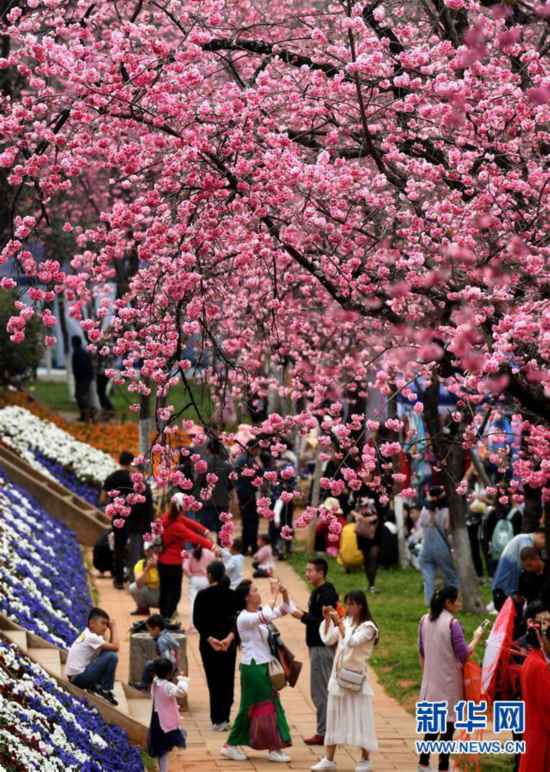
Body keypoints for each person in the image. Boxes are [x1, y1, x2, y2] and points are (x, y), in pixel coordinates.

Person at [221, 578, 294, 763]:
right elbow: (267, 616)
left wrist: (283, 592)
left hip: (262, 666)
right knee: (263, 706)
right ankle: (273, 748)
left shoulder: (258, 613)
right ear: (247, 597)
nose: (258, 592)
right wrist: (274, 594)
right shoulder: (244, 617)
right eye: (255, 590)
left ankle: (233, 745)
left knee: (257, 706)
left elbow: (285, 609)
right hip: (253, 668)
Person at [417, 586, 485, 772]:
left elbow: (422, 651)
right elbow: (463, 654)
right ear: (448, 603)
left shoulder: (424, 620)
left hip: (431, 681)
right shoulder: (452, 623)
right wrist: (476, 638)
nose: (460, 604)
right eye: (457, 600)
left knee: (433, 724)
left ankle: (423, 763)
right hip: (449, 682)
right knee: (448, 726)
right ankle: (443, 765)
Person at [311, 590, 379, 772]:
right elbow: (328, 638)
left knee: (361, 718)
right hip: (338, 676)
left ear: (360, 605)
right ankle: (329, 759)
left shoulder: (369, 628)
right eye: (346, 603)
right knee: (333, 716)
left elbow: (352, 642)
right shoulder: (347, 621)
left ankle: (365, 759)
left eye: (351, 604)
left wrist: (339, 622)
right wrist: (327, 619)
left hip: (356, 679)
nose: (347, 607)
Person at [291, 558, 339, 746]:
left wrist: (301, 616)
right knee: (322, 689)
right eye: (306, 570)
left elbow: (324, 623)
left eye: (310, 570)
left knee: (320, 691)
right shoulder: (319, 591)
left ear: (321, 573)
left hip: (321, 646)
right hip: (317, 646)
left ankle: (324, 732)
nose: (307, 573)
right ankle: (328, 729)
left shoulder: (325, 594)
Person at [193, 560, 237, 731]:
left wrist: (210, 638)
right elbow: (236, 620)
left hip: (208, 644)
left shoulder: (202, 595)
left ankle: (217, 719)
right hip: (228, 643)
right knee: (227, 679)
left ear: (210, 575)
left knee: (214, 680)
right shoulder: (232, 595)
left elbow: (197, 621)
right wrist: (229, 638)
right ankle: (224, 717)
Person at [158, 493, 215, 622]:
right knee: (174, 594)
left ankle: (163, 617)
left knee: (164, 592)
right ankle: (166, 620)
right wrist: (212, 546)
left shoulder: (167, 517)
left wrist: (205, 531)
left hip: (162, 561)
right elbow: (193, 536)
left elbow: (190, 523)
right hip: (173, 563)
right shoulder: (177, 525)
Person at [100, 451, 154, 589]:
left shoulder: (112, 478)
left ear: (119, 461)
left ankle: (118, 579)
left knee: (119, 548)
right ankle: (133, 578)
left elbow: (103, 498)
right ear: (131, 463)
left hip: (118, 518)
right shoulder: (135, 480)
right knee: (136, 549)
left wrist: (112, 506)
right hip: (134, 519)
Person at [65, 607, 119, 705]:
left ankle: (100, 687)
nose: (105, 627)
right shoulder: (91, 637)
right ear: (92, 623)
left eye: (107, 624)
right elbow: (115, 647)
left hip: (76, 676)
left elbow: (111, 648)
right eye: (103, 623)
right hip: (78, 678)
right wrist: (114, 627)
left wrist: (110, 630)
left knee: (108, 654)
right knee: (112, 657)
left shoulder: (88, 634)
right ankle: (104, 689)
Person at [519, 603, 550, 772]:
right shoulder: (539, 665)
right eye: (544, 622)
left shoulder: (534, 660)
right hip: (542, 739)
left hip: (534, 733)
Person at [418, 486, 459, 606]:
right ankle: (452, 600)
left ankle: (430, 603)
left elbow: (421, 524)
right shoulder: (445, 509)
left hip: (426, 545)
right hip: (441, 546)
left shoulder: (424, 509)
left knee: (428, 577)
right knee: (451, 576)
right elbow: (447, 528)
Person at [147, 657, 188, 772]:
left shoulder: (155, 682)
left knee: (160, 749)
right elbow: (181, 692)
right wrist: (182, 679)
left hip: (156, 719)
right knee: (164, 750)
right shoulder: (168, 686)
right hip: (166, 722)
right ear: (169, 673)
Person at [492, 529, 545, 611]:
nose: (544, 547)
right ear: (542, 537)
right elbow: (529, 571)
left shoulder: (522, 538)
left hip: (503, 589)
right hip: (505, 591)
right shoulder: (526, 542)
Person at [195, 438, 233, 537]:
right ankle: (221, 550)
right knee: (223, 531)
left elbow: (199, 482)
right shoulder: (227, 466)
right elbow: (231, 485)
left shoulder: (204, 464)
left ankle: (208, 551)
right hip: (223, 501)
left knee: (207, 532)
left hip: (208, 502)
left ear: (208, 449)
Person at [137, 614, 180, 689]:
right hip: (175, 663)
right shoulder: (168, 634)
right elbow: (177, 645)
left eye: (150, 630)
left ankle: (144, 684)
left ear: (156, 629)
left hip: (168, 667)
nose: (149, 633)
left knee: (148, 664)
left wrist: (158, 661)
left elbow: (166, 658)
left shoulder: (161, 641)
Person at [235, 440, 262, 555]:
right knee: (252, 522)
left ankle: (245, 547)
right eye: (258, 449)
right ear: (253, 448)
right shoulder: (249, 460)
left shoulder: (241, 459)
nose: (258, 452)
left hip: (243, 495)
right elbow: (260, 473)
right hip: (249, 495)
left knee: (246, 522)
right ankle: (252, 547)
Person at [182, 543, 216, 633]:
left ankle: (193, 626)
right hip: (206, 579)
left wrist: (190, 576)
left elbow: (184, 567)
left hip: (195, 579)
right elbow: (215, 565)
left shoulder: (190, 553)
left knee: (193, 603)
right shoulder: (209, 553)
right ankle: (207, 625)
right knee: (207, 603)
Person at [354, 498, 384, 594]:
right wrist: (359, 516)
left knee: (374, 556)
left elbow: (383, 509)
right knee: (366, 558)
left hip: (377, 529)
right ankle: (370, 584)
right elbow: (350, 508)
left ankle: (372, 584)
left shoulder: (379, 493)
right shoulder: (357, 491)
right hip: (363, 530)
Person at [129, 542, 160, 615]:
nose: (153, 553)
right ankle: (143, 609)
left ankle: (169, 609)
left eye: (155, 550)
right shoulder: (141, 564)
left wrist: (159, 566)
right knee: (133, 587)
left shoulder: (164, 562)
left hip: (162, 593)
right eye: (150, 550)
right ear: (146, 552)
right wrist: (147, 568)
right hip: (149, 593)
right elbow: (139, 585)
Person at [71, 335, 94, 422]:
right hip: (86, 377)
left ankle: (87, 415)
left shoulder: (77, 353)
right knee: (83, 396)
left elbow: (77, 368)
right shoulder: (84, 352)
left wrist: (78, 378)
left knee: (80, 396)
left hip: (81, 379)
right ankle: (87, 415)